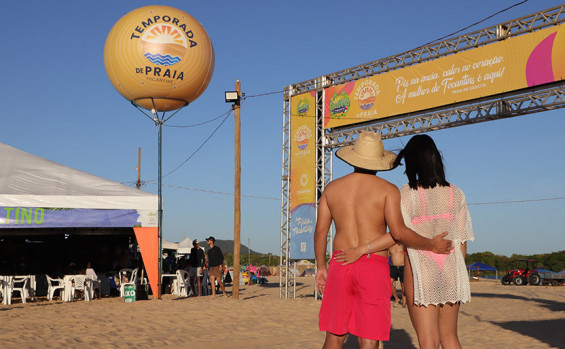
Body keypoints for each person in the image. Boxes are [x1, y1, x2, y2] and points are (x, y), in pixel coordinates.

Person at [315, 131, 453, 349]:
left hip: (340, 262)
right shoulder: (388, 190)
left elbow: (320, 232)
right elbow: (398, 233)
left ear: (354, 157)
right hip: (373, 264)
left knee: (334, 335)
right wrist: (431, 244)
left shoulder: (332, 188)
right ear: (378, 161)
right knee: (369, 337)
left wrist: (321, 267)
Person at [394, 134, 473, 349]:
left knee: (428, 340)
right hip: (451, 267)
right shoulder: (456, 193)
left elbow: (401, 233)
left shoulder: (407, 193)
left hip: (421, 268)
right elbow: (462, 240)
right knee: (450, 337)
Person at [389, 243, 406, 308]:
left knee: (403, 285)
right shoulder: (389, 246)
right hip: (393, 267)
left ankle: (404, 303)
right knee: (389, 283)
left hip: (402, 267)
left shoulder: (402, 244)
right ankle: (396, 298)